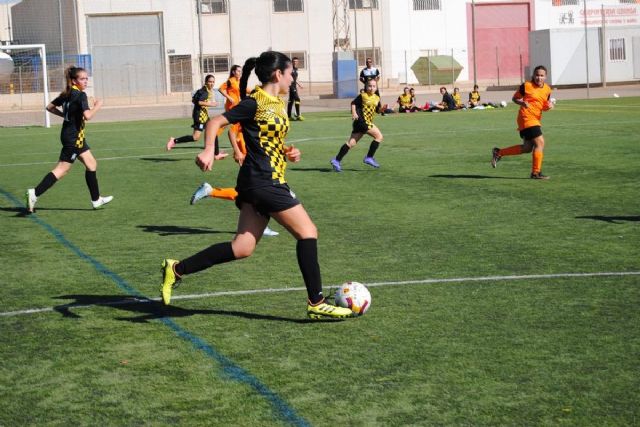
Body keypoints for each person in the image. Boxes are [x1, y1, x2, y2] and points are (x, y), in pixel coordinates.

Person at [160, 51, 352, 319]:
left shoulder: (276, 102)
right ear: (278, 74)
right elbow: (216, 121)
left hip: (258, 179)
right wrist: (207, 150)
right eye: (290, 73)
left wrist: (286, 151)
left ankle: (176, 269)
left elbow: (263, 138)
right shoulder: (255, 102)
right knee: (308, 232)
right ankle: (316, 302)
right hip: (265, 181)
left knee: (242, 248)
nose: (292, 77)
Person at [25, 66, 112, 213]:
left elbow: (49, 107)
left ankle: (96, 200)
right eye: (82, 79)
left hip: (70, 135)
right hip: (74, 138)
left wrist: (65, 117)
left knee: (91, 164)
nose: (85, 81)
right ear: (74, 80)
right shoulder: (80, 95)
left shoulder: (67, 93)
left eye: (86, 78)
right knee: (62, 169)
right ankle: (35, 193)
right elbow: (88, 116)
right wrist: (98, 106)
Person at [491, 65, 554, 179]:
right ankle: (535, 173)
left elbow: (544, 105)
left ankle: (499, 152)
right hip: (526, 117)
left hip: (536, 119)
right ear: (533, 75)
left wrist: (549, 106)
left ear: (545, 77)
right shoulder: (526, 86)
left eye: (541, 75)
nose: (539, 78)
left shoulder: (547, 89)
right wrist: (522, 103)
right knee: (540, 143)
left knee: (527, 148)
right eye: (537, 75)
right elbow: (514, 98)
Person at [166, 74, 226, 159]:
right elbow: (199, 102)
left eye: (213, 82)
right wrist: (210, 104)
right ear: (206, 82)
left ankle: (216, 154)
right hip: (200, 117)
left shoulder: (203, 90)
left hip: (204, 116)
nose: (212, 83)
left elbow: (193, 100)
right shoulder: (204, 91)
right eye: (210, 82)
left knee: (213, 131)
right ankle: (174, 140)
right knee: (195, 137)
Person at [330, 79, 383, 172]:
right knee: (379, 136)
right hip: (363, 122)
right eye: (369, 86)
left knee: (351, 143)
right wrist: (354, 113)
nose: (371, 88)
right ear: (365, 87)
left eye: (374, 86)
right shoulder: (363, 96)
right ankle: (369, 157)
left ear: (376, 87)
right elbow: (353, 103)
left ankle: (336, 160)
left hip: (364, 122)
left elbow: (377, 110)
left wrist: (382, 110)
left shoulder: (377, 97)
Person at [287, 57, 304, 121]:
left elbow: (295, 78)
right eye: (294, 61)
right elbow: (288, 77)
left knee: (291, 101)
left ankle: (288, 116)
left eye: (296, 61)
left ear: (298, 62)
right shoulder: (290, 69)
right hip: (291, 86)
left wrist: (299, 85)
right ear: (292, 62)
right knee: (297, 99)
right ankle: (298, 115)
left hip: (294, 86)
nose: (295, 62)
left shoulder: (296, 69)